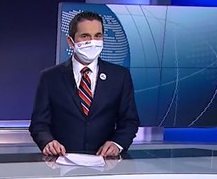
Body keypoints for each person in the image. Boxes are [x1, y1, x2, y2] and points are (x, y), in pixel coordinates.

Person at [29, 11, 139, 157]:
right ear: (70, 41)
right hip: (62, 161)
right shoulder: (50, 77)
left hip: (105, 162)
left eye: (97, 36)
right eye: (85, 36)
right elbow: (39, 124)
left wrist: (117, 144)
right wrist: (48, 142)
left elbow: (129, 121)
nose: (92, 42)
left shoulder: (120, 76)